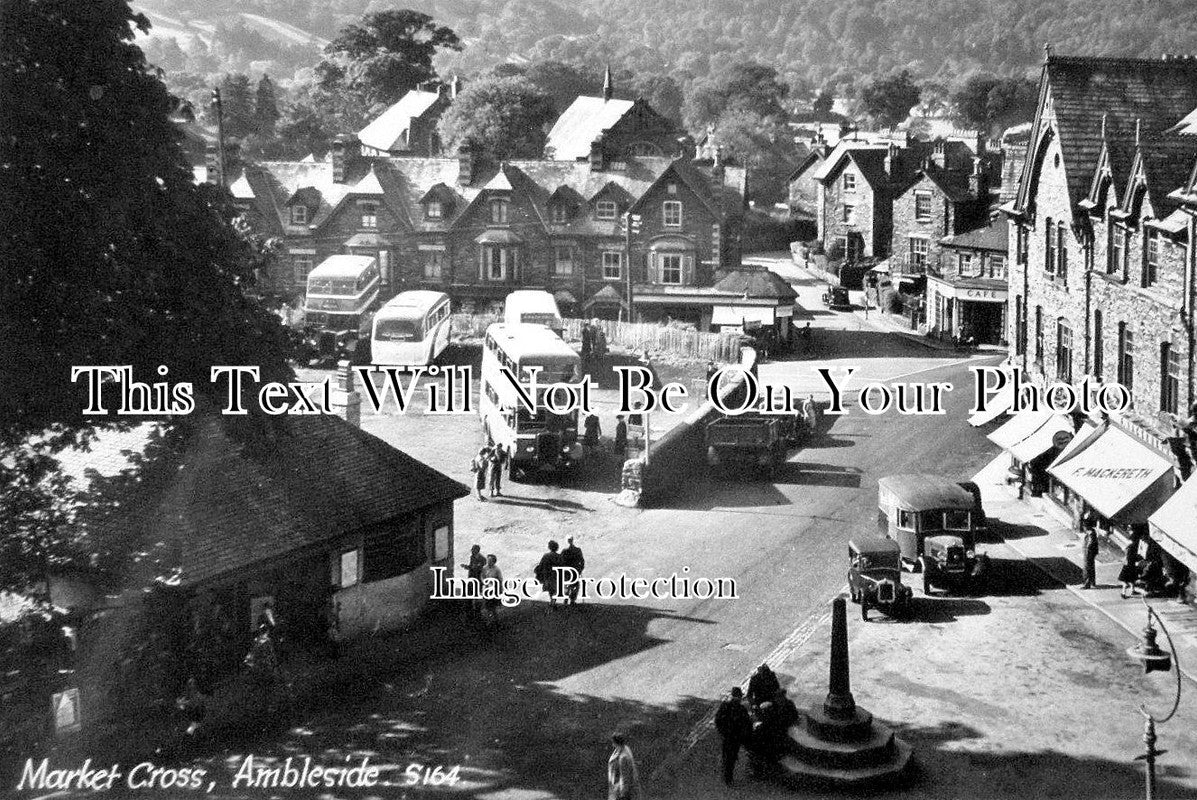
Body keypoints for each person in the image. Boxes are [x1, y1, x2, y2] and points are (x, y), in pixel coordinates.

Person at [714, 686, 752, 786]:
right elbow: (747, 724)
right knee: (732, 757)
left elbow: (717, 720)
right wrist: (745, 735)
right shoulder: (741, 709)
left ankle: (727, 777)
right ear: (739, 697)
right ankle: (728, 778)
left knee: (727, 756)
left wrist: (723, 732)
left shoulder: (725, 706)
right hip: (736, 737)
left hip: (727, 736)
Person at [607, 733, 641, 800]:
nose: (612, 744)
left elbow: (624, 777)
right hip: (618, 788)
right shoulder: (624, 749)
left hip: (620, 791)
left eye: (613, 742)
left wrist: (623, 794)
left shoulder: (623, 757)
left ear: (615, 743)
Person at [535, 540, 566, 610]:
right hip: (557, 575)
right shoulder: (559, 556)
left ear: (549, 547)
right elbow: (563, 566)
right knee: (555, 589)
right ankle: (553, 602)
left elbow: (541, 565)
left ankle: (552, 601)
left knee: (550, 590)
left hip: (548, 575)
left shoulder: (546, 556)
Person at [460, 544, 486, 618]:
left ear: (477, 550)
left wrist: (471, 567)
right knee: (469, 594)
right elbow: (472, 567)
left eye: (473, 550)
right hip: (471, 578)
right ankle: (469, 611)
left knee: (477, 595)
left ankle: (477, 612)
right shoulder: (472, 557)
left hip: (478, 579)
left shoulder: (482, 559)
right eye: (472, 550)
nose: (471, 551)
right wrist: (466, 566)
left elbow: (479, 568)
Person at [561, 537, 585, 605]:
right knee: (575, 586)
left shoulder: (564, 551)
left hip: (567, 571)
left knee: (567, 585)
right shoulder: (577, 550)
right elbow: (582, 561)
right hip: (575, 571)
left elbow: (561, 561)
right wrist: (580, 569)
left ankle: (566, 599)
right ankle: (572, 600)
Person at [481, 554, 503, 627]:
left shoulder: (497, 569)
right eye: (488, 560)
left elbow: (500, 580)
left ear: (494, 562)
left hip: (494, 590)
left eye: (490, 560)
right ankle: (488, 620)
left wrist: (499, 590)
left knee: (493, 607)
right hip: (487, 590)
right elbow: (482, 576)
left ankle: (496, 621)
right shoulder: (484, 568)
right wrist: (484, 582)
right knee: (487, 606)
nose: (488, 562)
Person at [1081, 516, 1100, 589]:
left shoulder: (1091, 534)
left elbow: (1090, 544)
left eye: (1084, 526)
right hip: (1091, 553)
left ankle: (1086, 584)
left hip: (1088, 553)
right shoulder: (1092, 532)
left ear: (1086, 527)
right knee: (1091, 567)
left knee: (1087, 568)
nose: (1083, 528)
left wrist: (1086, 550)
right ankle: (1092, 582)